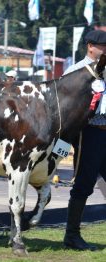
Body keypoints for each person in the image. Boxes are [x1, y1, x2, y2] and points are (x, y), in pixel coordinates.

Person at [63, 30, 106, 251]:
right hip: (87, 134)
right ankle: (72, 235)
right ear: (91, 46)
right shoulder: (76, 71)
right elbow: (63, 109)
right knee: (83, 186)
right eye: (104, 46)